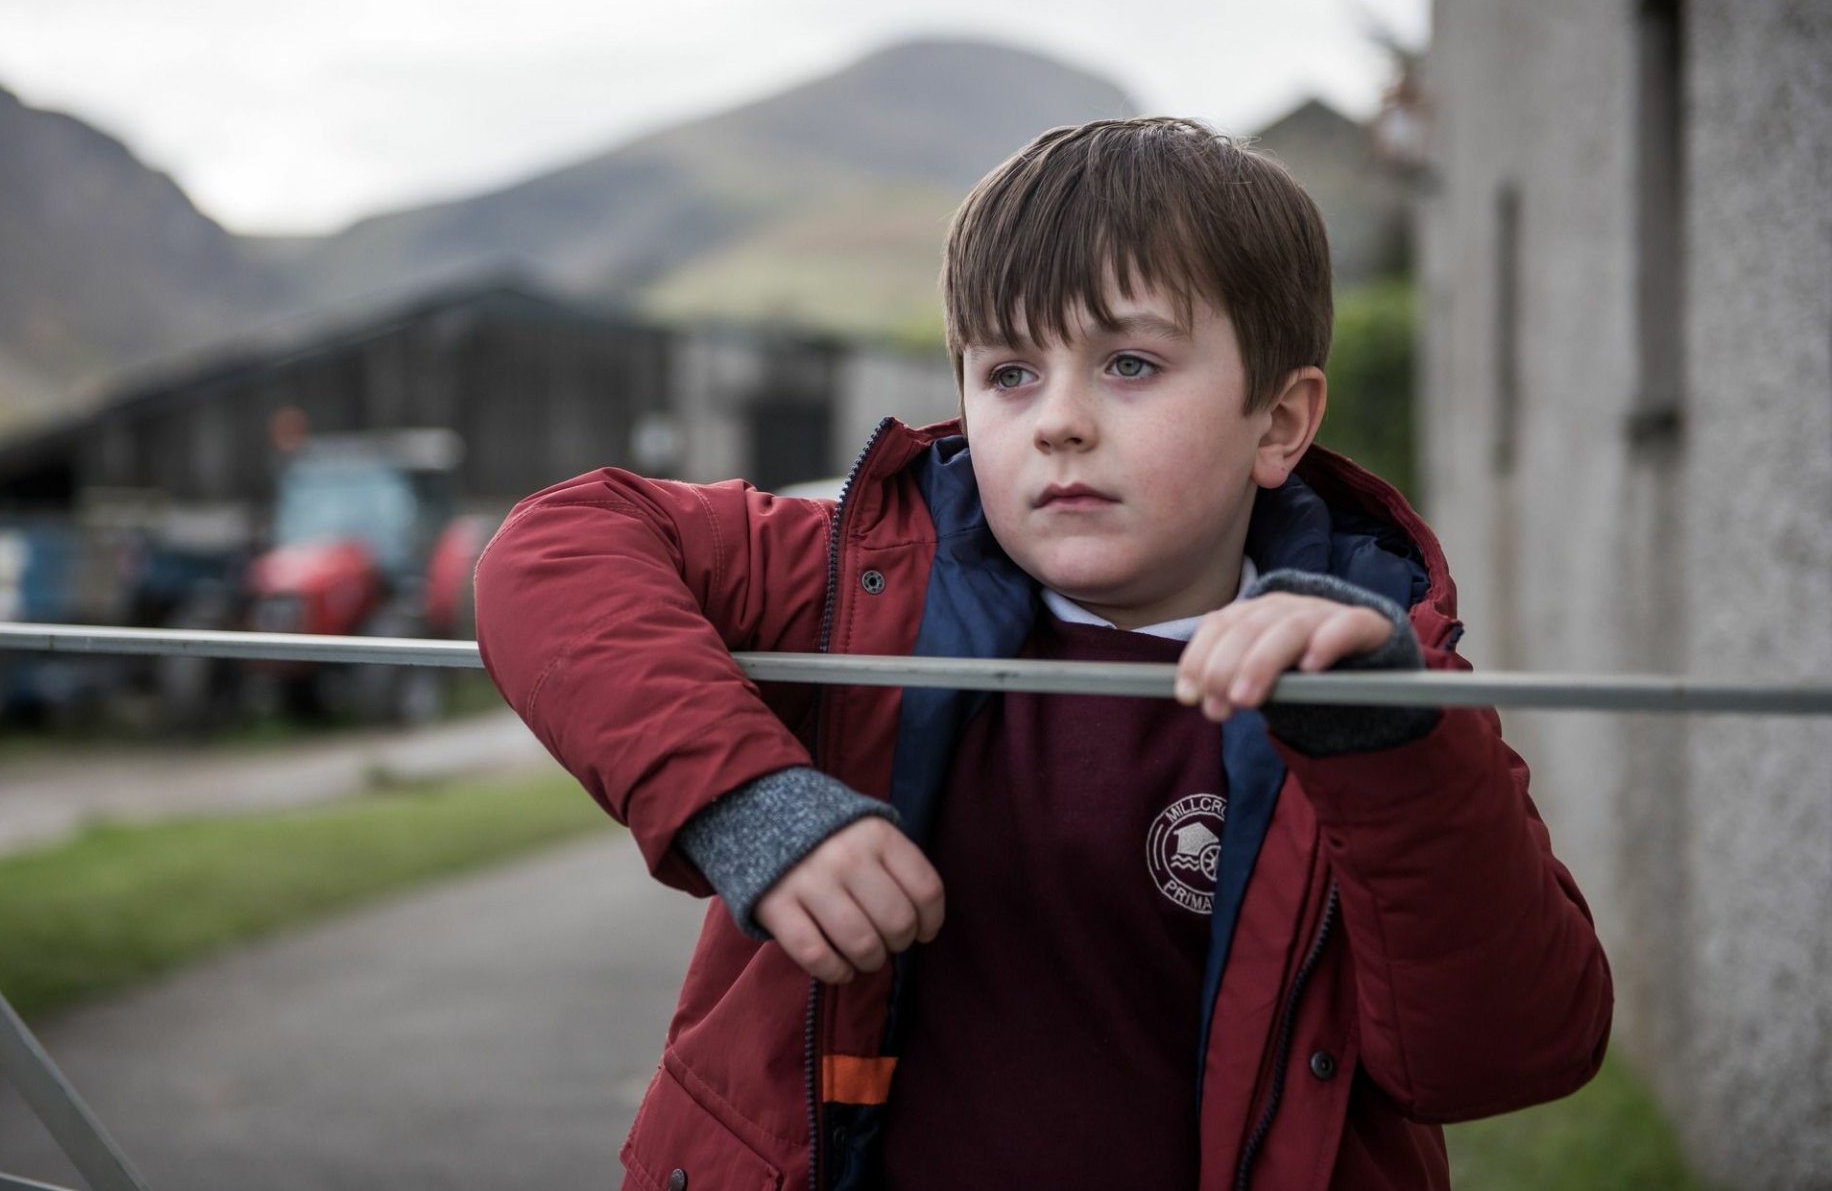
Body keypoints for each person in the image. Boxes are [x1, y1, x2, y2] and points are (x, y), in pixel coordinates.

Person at [474, 117, 1612, 1191]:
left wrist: (1385, 743)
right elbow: (557, 544)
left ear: (1278, 422)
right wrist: (749, 805)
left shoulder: (1376, 673)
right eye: (1009, 372)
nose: (1057, 419)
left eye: (1130, 363)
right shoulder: (851, 582)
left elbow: (1508, 1053)